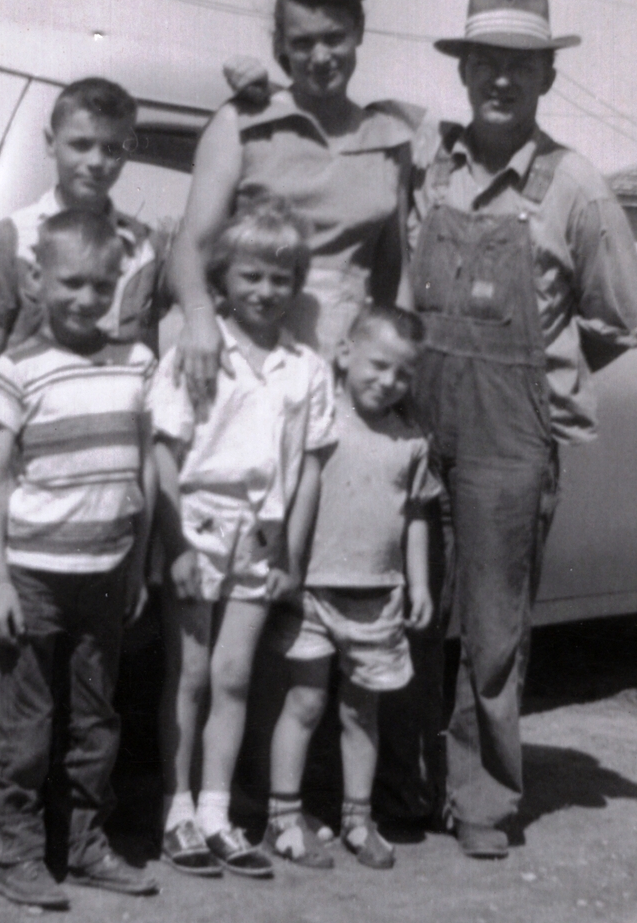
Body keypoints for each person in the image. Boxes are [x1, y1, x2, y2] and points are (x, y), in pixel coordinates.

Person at [408, 0, 637, 858]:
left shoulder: (577, 187)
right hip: (417, 423)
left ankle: (481, 799)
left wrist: (543, 383)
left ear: (548, 76)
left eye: (521, 65)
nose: (501, 80)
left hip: (511, 439)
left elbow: (621, 319)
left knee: (493, 627)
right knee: (407, 611)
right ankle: (403, 784)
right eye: (486, 62)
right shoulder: (429, 164)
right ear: (463, 71)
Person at [0, 209, 160, 907]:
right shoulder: (16, 371)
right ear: (37, 279)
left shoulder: (136, 363)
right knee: (20, 725)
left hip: (106, 575)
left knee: (95, 719)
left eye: (102, 285)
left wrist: (138, 565)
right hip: (32, 576)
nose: (86, 298)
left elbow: (143, 468)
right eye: (71, 283)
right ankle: (17, 853)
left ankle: (84, 844)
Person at [149, 195, 337, 878]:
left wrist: (291, 553)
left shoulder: (306, 367)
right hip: (197, 523)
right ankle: (175, 811)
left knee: (234, 676)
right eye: (251, 275)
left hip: (263, 534)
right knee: (190, 673)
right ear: (223, 277)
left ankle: (216, 813)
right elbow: (163, 452)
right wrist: (173, 545)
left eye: (280, 278)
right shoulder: (198, 352)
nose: (264, 290)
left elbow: (308, 471)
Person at [170, 0, 423, 404]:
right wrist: (198, 319)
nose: (320, 57)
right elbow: (191, 245)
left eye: (334, 38)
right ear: (281, 46)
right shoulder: (241, 123)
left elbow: (393, 275)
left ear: (359, 32)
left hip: (348, 362)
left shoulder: (389, 139)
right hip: (251, 347)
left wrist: (401, 371)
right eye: (303, 43)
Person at [267, 304, 440, 871]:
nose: (388, 381)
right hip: (312, 592)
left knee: (361, 712)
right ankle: (283, 818)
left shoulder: (410, 440)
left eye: (403, 374)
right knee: (305, 700)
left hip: (377, 597)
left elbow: (416, 515)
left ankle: (357, 820)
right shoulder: (319, 423)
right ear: (344, 354)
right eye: (378, 365)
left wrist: (419, 584)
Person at [0, 75, 169, 433]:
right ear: (51, 143)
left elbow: (147, 364)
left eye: (112, 149)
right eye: (81, 145)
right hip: (32, 443)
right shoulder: (15, 237)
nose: (96, 161)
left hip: (113, 443)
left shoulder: (145, 248)